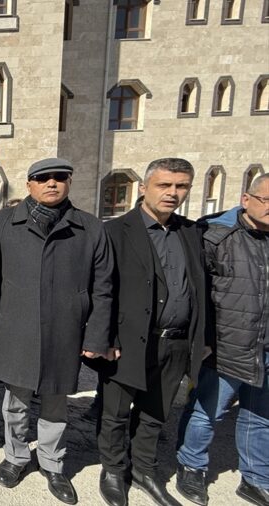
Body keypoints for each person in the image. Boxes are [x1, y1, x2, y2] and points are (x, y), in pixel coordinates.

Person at [0, 158, 114, 505]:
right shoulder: (3, 222)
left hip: (65, 330)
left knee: (56, 404)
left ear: (70, 182)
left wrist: (96, 335)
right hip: (16, 327)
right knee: (15, 404)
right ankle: (15, 457)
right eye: (42, 178)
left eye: (60, 177)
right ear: (28, 184)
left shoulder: (90, 228)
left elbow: (104, 287)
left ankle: (53, 464)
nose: (52, 183)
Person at [95, 158, 209, 506]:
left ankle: (144, 470)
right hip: (126, 343)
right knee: (115, 413)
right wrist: (104, 339)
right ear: (144, 188)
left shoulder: (191, 232)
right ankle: (114, 470)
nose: (173, 193)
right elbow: (102, 290)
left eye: (181, 186)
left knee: (155, 413)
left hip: (175, 342)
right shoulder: (114, 231)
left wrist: (199, 340)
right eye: (164, 185)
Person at [175, 173, 269, 506]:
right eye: (267, 201)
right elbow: (194, 292)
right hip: (226, 342)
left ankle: (256, 478)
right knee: (206, 411)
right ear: (247, 199)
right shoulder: (214, 235)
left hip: (265, 346)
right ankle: (191, 466)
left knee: (260, 416)